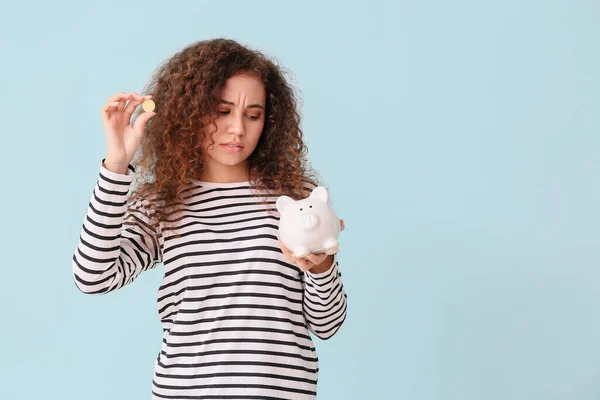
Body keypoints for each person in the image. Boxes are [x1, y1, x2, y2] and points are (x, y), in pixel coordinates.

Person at [72, 37, 348, 399]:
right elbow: (93, 276)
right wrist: (117, 166)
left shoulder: (294, 202)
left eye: (253, 115)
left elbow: (327, 324)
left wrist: (321, 268)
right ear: (190, 112)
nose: (238, 128)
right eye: (222, 111)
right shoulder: (164, 203)